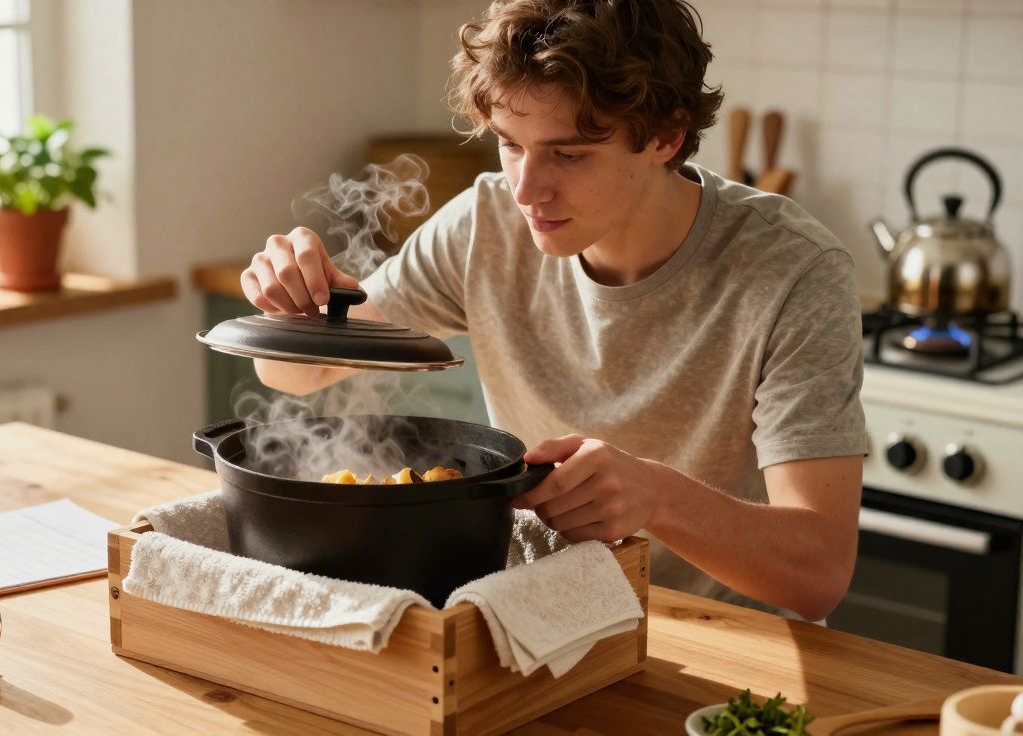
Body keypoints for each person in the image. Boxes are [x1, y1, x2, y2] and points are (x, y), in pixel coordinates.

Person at [240, 0, 865, 621]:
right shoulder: (486, 224)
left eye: (568, 155)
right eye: (511, 145)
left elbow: (818, 576)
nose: (525, 190)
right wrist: (294, 312)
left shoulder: (793, 271)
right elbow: (301, 374)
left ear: (667, 136)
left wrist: (659, 499)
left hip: (730, 643)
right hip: (545, 617)